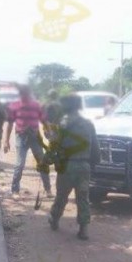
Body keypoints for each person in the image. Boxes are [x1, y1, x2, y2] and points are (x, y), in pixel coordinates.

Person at [47, 95, 100, 240]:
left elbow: (54, 145)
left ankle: (54, 219)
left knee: (61, 196)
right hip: (84, 165)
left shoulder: (63, 124)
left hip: (67, 166)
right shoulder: (88, 123)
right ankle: (84, 229)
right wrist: (94, 164)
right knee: (83, 197)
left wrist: (48, 160)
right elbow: (95, 146)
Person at [3, 85, 52, 199]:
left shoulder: (37, 105)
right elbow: (10, 124)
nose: (25, 96)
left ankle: (48, 189)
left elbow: (44, 121)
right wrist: (6, 141)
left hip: (35, 137)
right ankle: (15, 190)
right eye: (22, 93)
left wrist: (49, 133)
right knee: (19, 164)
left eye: (26, 93)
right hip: (21, 137)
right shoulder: (14, 106)